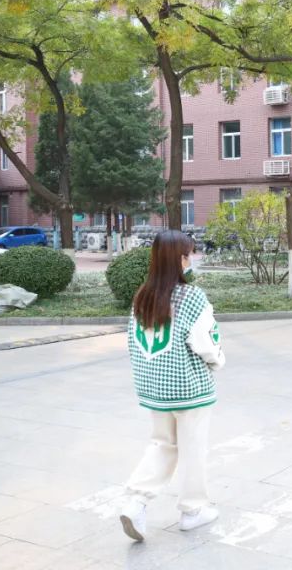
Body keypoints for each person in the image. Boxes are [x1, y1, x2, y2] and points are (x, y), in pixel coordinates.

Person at [119, 230, 226, 542]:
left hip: (155, 386)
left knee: (162, 444)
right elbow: (205, 342)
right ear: (180, 259)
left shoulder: (142, 296)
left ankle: (136, 502)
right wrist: (218, 361)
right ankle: (193, 510)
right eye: (189, 254)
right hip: (189, 387)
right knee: (193, 448)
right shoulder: (192, 297)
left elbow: (132, 342)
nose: (192, 259)